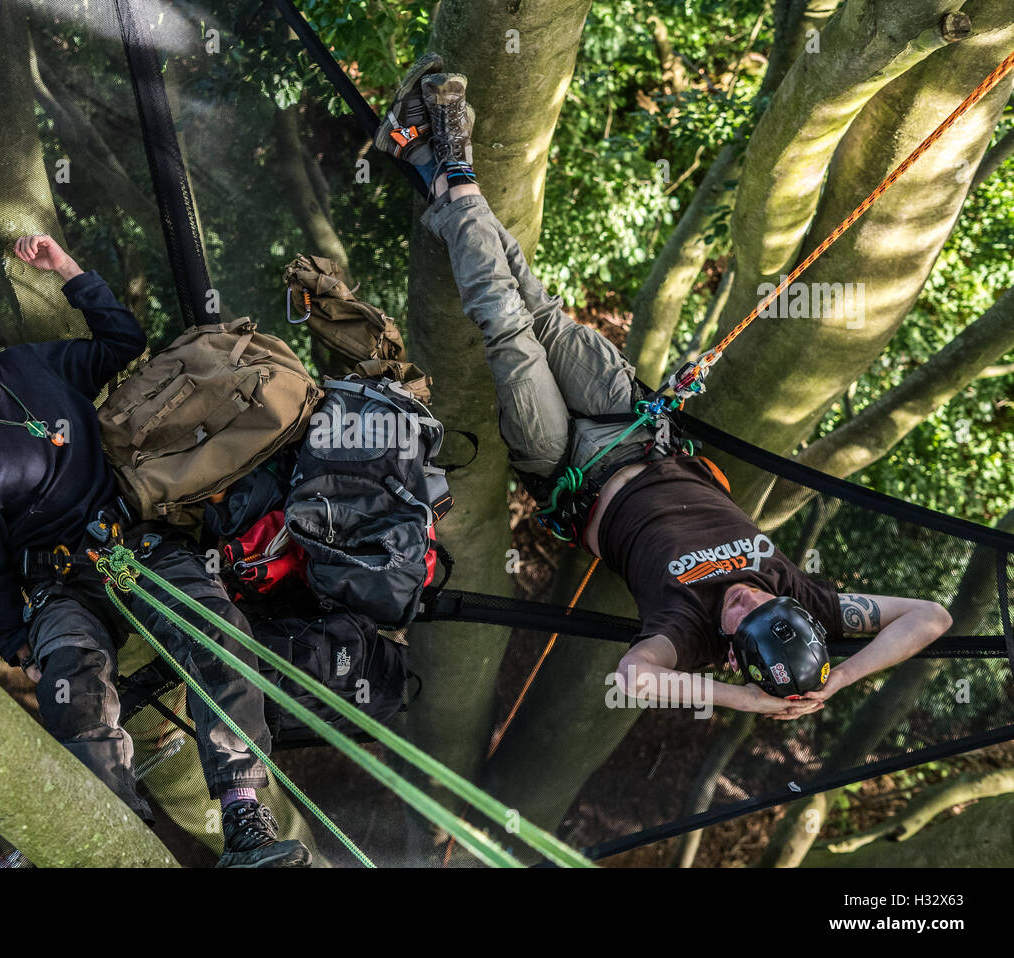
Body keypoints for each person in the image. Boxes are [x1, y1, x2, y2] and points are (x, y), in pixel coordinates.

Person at [375, 59, 952, 719]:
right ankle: (427, 160)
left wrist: (744, 699)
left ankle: (449, 160)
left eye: (742, 618)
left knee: (505, 324)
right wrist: (841, 680)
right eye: (763, 602)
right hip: (633, 423)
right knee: (533, 302)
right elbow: (929, 616)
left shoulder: (690, 632)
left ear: (733, 650)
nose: (744, 599)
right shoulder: (807, 600)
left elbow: (636, 678)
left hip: (568, 463)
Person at [0, 236, 310, 866]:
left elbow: (123, 344)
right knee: (76, 688)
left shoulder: (23, 366)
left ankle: (244, 820)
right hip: (59, 586)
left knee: (217, 632)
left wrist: (65, 269)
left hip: (132, 544)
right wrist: (15, 641)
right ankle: (125, 845)